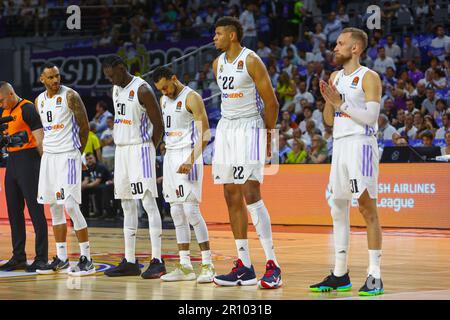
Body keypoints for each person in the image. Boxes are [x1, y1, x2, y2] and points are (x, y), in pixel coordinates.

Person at [310, 28, 384, 296]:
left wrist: (340, 103)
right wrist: (328, 102)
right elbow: (329, 121)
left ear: (355, 48)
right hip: (339, 145)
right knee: (337, 208)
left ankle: (375, 275)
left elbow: (371, 117)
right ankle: (340, 274)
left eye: (341, 44)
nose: (335, 47)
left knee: (366, 209)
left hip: (361, 145)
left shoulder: (369, 77)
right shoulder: (335, 77)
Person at [211, 16, 282, 289]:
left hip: (250, 124)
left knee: (251, 193)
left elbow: (271, 103)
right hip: (227, 128)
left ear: (232, 36)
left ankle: (273, 264)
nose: (214, 38)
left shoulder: (251, 60)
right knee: (230, 194)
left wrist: (267, 135)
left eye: (218, 33)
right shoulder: (217, 64)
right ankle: (245, 266)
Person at [101, 55, 166, 279]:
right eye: (107, 77)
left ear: (121, 68)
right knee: (127, 205)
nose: (110, 80)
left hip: (140, 149)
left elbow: (159, 125)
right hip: (122, 151)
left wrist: (149, 150)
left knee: (148, 203)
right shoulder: (116, 89)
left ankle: (157, 260)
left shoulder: (143, 89)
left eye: (112, 75)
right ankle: (130, 261)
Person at [152, 66, 215, 283]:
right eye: (160, 90)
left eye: (166, 87)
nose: (165, 92)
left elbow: (205, 134)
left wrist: (190, 159)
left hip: (190, 155)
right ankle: (185, 266)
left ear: (174, 78)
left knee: (191, 211)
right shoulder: (163, 101)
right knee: (176, 212)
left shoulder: (192, 97)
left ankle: (208, 265)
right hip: (170, 157)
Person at [34, 62, 95, 276]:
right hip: (49, 157)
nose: (55, 80)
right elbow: (42, 130)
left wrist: (78, 152)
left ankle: (87, 258)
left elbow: (84, 126)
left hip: (68, 155)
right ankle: (61, 257)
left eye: (57, 76)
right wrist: (43, 152)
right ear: (42, 79)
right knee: (54, 207)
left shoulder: (70, 96)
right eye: (50, 77)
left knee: (70, 205)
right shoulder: (39, 100)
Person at [0, 82, 48, 272]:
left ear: (11, 93)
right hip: (12, 162)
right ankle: (19, 256)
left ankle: (42, 257)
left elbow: (40, 140)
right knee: (14, 212)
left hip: (30, 161)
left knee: (36, 212)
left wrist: (46, 167)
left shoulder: (27, 108)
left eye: (2, 100)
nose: (1, 104)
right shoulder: (3, 112)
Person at [80, 152, 113, 219]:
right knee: (84, 191)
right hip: (96, 186)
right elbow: (86, 180)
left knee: (100, 189)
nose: (89, 160)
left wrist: (85, 186)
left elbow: (97, 182)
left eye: (90, 158)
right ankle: (85, 214)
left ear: (95, 158)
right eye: (87, 159)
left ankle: (107, 213)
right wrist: (80, 187)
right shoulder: (86, 167)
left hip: (107, 185)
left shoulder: (100, 166)